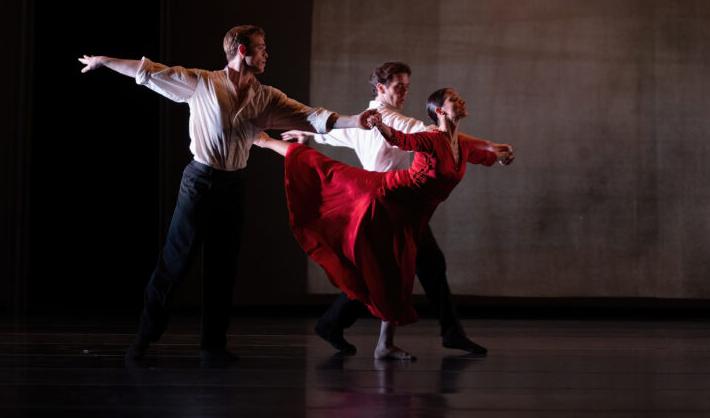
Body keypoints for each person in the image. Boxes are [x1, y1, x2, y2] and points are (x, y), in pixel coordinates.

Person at [78, 25, 377, 365]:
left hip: (232, 186)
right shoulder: (202, 82)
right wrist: (106, 60)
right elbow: (150, 72)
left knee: (222, 268)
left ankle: (213, 346)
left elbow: (311, 116)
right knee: (175, 262)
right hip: (200, 181)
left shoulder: (267, 98)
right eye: (261, 47)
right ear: (241, 50)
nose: (266, 53)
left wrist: (355, 121)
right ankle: (145, 337)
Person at [255, 87, 514, 360]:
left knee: (398, 271)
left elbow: (480, 154)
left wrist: (499, 154)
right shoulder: (424, 135)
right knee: (324, 169)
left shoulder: (459, 145)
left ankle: (376, 341)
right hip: (385, 199)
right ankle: (262, 141)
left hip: (412, 214)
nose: (405, 90)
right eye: (399, 85)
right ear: (439, 111)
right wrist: (379, 126)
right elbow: (401, 138)